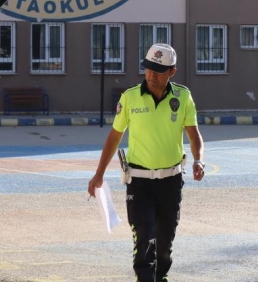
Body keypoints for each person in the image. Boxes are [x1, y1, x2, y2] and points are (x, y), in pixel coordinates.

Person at [87, 43, 205, 282]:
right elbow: (114, 136)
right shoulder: (130, 97)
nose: (152, 74)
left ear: (172, 71)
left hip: (171, 181)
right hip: (139, 183)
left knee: (163, 243)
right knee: (144, 238)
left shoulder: (182, 97)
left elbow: (194, 135)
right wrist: (98, 174)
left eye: (159, 70)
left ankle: (160, 277)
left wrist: (199, 160)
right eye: (149, 68)